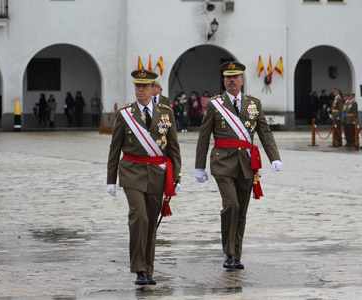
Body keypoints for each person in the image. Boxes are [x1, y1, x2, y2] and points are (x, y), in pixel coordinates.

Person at [195, 61, 283, 270]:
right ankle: (228, 251)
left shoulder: (254, 103)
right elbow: (204, 136)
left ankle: (236, 254)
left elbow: (264, 132)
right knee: (231, 205)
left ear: (242, 80)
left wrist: (274, 157)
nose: (231, 80)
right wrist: (199, 165)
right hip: (222, 163)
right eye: (227, 77)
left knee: (241, 211)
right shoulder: (214, 104)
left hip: (246, 164)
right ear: (224, 81)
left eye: (235, 77)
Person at [106, 68, 181, 286]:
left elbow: (173, 148)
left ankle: (148, 268)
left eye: (145, 86)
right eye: (137, 86)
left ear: (152, 89)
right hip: (132, 171)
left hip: (157, 174)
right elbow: (114, 149)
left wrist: (176, 175)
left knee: (151, 222)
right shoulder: (125, 114)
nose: (141, 90)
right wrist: (111, 179)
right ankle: (138, 268)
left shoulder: (166, 113)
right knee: (139, 217)